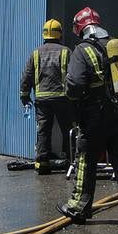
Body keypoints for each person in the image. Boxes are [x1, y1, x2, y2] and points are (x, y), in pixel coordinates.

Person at [60, 7, 118, 224]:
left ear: (80, 28)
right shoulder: (115, 47)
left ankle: (79, 206)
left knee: (86, 159)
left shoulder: (82, 50)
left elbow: (75, 85)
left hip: (94, 118)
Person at [19, 18, 75, 174]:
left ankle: (42, 164)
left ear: (44, 34)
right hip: (63, 98)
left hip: (42, 99)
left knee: (43, 131)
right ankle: (71, 162)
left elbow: (27, 76)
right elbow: (73, 75)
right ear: (60, 34)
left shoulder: (36, 53)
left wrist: (24, 96)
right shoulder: (66, 52)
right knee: (68, 130)